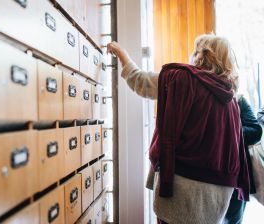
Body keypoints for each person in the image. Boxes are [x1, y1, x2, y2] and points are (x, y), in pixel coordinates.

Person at [107, 34, 251, 224]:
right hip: (217, 199)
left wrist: (122, 54)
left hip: (180, 191)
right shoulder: (231, 100)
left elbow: (139, 81)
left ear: (201, 54)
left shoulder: (182, 80)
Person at [224, 95, 262, 223]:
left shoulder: (239, 99)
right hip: (207, 175)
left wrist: (229, 132)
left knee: (234, 219)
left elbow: (256, 131)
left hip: (236, 176)